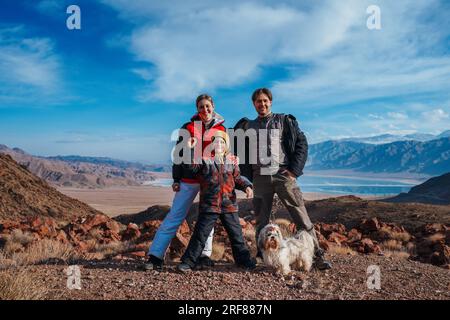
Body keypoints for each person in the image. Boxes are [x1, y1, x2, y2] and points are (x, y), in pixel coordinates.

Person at [234, 88, 332, 270]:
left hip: (283, 176)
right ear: (253, 104)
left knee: (301, 218)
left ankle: (318, 255)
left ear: (270, 102)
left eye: (265, 101)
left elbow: (302, 144)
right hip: (260, 179)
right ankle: (265, 257)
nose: (262, 104)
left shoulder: (284, 121)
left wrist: (294, 170)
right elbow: (238, 148)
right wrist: (246, 176)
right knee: (261, 220)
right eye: (258, 101)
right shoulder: (248, 126)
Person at [144, 94, 226, 271]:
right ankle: (155, 256)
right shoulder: (188, 127)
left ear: (213, 106)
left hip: (210, 180)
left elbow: (223, 156)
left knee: (207, 218)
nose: (205, 110)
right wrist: (176, 178)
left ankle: (204, 255)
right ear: (197, 109)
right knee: (175, 216)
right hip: (188, 179)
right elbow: (178, 155)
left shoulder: (222, 129)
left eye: (207, 106)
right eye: (201, 107)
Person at [177, 131, 256, 272]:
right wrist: (188, 149)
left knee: (236, 234)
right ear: (212, 144)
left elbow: (238, 178)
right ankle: (187, 263)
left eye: (222, 142)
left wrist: (247, 187)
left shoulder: (231, 162)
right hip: (210, 205)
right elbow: (189, 166)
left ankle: (244, 261)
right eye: (216, 141)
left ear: (226, 145)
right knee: (200, 235)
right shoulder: (204, 160)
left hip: (229, 205)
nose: (219, 144)